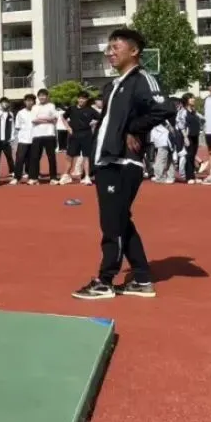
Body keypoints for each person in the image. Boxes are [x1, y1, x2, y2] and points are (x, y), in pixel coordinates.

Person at [73, 28, 173, 301]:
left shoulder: (142, 79)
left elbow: (164, 108)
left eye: (115, 47)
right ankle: (142, 279)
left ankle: (105, 281)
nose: (110, 53)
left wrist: (133, 128)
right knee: (120, 222)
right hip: (107, 161)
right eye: (108, 48)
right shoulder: (113, 86)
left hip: (124, 162)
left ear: (134, 50)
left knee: (112, 223)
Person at [63, 90, 100, 185]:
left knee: (86, 156)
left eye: (83, 98)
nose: (81, 100)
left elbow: (101, 118)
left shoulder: (90, 110)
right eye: (80, 98)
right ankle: (66, 175)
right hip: (74, 135)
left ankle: (87, 176)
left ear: (87, 100)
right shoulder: (72, 108)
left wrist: (94, 123)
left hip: (86, 135)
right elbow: (63, 117)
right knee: (70, 155)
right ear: (77, 99)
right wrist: (68, 127)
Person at [28, 89, 59, 184]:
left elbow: (55, 119)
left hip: (49, 134)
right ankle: (34, 178)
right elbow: (33, 120)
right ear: (38, 97)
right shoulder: (34, 107)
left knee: (51, 157)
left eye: (44, 95)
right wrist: (48, 119)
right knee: (35, 157)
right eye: (40, 95)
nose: (42, 97)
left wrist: (40, 118)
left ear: (47, 96)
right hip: (37, 135)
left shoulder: (51, 106)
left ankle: (53, 177)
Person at [177, 93, 201, 184]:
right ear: (186, 100)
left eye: (193, 98)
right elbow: (181, 124)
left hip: (195, 135)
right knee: (189, 155)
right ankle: (189, 177)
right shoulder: (183, 111)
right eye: (191, 98)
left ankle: (193, 176)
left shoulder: (194, 111)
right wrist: (185, 137)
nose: (193, 99)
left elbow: (201, 120)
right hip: (188, 136)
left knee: (193, 155)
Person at [0, 98, 15, 181]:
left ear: (8, 104)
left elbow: (12, 126)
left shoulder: (10, 114)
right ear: (0, 104)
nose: (4, 104)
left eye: (6, 102)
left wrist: (12, 137)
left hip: (6, 139)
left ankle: (12, 171)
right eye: (3, 102)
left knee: (9, 156)